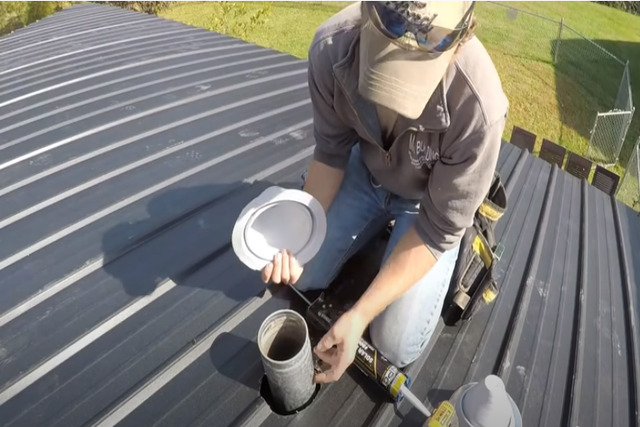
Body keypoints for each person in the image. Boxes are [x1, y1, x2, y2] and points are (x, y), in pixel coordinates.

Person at [261, 1, 508, 384]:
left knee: (394, 342)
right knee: (301, 274)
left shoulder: (479, 108)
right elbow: (330, 154)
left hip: (428, 201)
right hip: (365, 171)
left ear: (462, 38)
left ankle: (459, 218)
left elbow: (436, 230)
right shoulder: (332, 48)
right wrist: (298, 235)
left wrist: (359, 315)